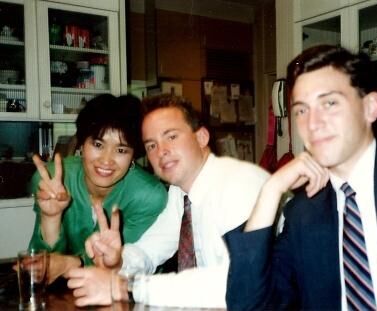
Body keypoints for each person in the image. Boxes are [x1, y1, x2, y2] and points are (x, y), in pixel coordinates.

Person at [224, 44, 377, 310]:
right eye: (301, 110)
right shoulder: (303, 214)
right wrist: (271, 189)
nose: (313, 123)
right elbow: (249, 305)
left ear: (370, 107)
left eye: (329, 103)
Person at [66, 94, 271, 308]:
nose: (161, 151)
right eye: (151, 145)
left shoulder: (240, 185)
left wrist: (126, 286)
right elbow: (151, 249)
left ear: (201, 137)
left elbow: (235, 284)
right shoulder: (179, 193)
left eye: (171, 137)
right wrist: (118, 260)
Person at [28, 94, 168, 284]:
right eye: (97, 144)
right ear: (81, 145)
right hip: (67, 292)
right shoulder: (54, 179)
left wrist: (71, 264)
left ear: (133, 155)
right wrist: (51, 217)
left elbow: (124, 265)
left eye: (121, 150)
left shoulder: (148, 196)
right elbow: (43, 266)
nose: (106, 160)